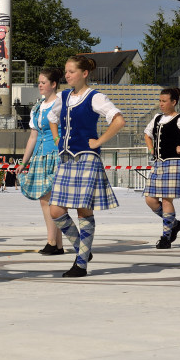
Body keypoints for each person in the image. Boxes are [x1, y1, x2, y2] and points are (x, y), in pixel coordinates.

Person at [47, 54, 126, 277]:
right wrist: (56, 139)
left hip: (87, 158)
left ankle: (81, 263)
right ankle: (83, 248)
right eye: (66, 71)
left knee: (83, 210)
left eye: (71, 71)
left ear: (84, 74)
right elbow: (52, 118)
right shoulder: (62, 97)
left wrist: (99, 141)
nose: (67, 75)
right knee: (56, 210)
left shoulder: (95, 97)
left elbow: (118, 120)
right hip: (66, 158)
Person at [142, 87, 180, 249]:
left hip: (174, 162)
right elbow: (147, 134)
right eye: (160, 101)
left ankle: (166, 237)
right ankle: (174, 224)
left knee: (167, 199)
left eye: (164, 101)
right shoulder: (156, 118)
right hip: (159, 162)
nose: (161, 104)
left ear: (173, 102)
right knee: (150, 199)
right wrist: (151, 149)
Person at [16, 68, 64, 255]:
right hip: (40, 157)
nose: (40, 85)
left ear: (53, 84)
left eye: (44, 82)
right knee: (47, 201)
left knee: (49, 200)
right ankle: (57, 244)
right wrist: (24, 162)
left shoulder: (61, 104)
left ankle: (52, 242)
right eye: (39, 82)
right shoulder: (38, 107)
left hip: (56, 155)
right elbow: (32, 137)